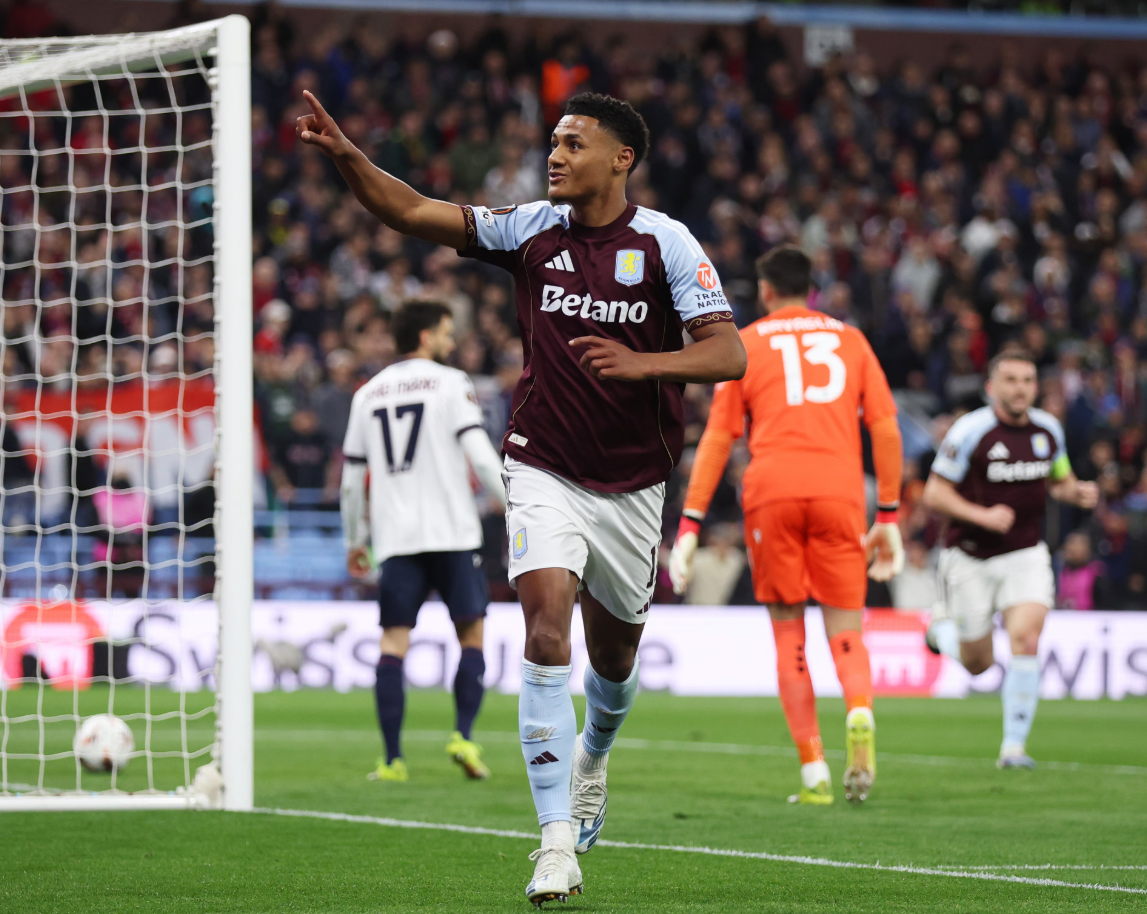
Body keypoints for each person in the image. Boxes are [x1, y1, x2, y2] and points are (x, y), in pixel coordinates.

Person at [301, 89, 746, 905]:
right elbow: (410, 211)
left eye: (574, 143)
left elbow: (728, 354)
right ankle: (553, 844)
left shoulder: (665, 242)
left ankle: (592, 757)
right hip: (541, 465)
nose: (555, 155)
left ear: (620, 158)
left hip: (634, 482)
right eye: (553, 141)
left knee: (614, 663)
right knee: (544, 633)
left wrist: (643, 364)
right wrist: (346, 156)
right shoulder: (530, 229)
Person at [668, 245, 904, 805]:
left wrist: (691, 523)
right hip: (839, 491)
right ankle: (860, 710)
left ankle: (814, 771)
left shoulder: (747, 342)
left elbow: (719, 437)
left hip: (772, 492)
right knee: (846, 630)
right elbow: (885, 427)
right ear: (812, 289)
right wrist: (890, 515)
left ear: (766, 289)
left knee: (788, 633)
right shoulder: (851, 340)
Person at [340, 301, 508, 784]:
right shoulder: (451, 383)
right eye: (446, 333)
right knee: (471, 635)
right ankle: (463, 737)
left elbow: (351, 482)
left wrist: (356, 540)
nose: (451, 342)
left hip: (396, 538)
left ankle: (393, 760)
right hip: (452, 531)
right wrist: (516, 507)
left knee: (393, 642)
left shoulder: (367, 393)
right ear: (425, 336)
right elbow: (480, 457)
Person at [922, 351, 1098, 769]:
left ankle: (1014, 748)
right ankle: (941, 635)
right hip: (970, 556)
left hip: (1026, 553)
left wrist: (1077, 493)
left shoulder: (1048, 429)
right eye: (1011, 380)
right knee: (978, 664)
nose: (1021, 389)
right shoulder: (971, 431)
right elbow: (934, 493)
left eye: (1028, 380)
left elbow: (1059, 480)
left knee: (1026, 638)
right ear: (992, 387)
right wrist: (981, 515)